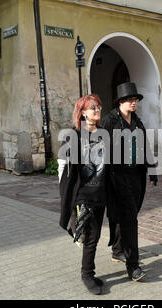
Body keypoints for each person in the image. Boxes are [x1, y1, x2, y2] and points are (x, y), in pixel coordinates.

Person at [101, 82, 158, 282]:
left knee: (123, 214)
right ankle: (133, 265)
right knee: (129, 218)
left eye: (136, 100)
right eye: (131, 100)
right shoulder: (109, 121)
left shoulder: (137, 121)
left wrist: (152, 170)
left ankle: (118, 250)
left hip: (136, 175)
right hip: (117, 177)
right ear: (121, 102)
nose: (135, 103)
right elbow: (102, 151)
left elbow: (145, 145)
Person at [58, 94, 107, 295]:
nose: (97, 110)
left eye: (99, 107)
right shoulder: (74, 135)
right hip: (83, 195)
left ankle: (89, 272)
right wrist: (69, 200)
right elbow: (65, 170)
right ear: (83, 112)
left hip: (100, 193)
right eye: (92, 107)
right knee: (92, 236)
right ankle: (87, 274)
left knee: (96, 235)